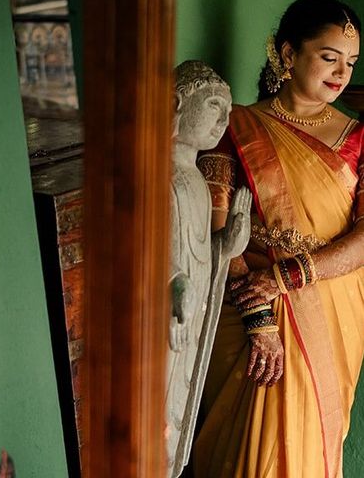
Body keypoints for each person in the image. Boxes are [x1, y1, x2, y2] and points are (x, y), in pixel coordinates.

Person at [193, 0, 364, 478]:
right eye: (329, 58)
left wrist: (287, 277)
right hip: (251, 313)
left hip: (332, 312)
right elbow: (216, 224)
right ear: (288, 55)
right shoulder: (237, 125)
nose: (341, 73)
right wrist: (259, 317)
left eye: (350, 63)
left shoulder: (359, 138)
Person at [166, 60, 251, 477]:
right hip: (166, 322)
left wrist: (227, 245)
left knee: (177, 418)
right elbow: (155, 250)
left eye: (228, 112)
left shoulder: (196, 180)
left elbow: (200, 255)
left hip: (188, 323)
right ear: (176, 105)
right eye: (214, 104)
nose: (223, 119)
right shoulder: (159, 176)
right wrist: (172, 283)